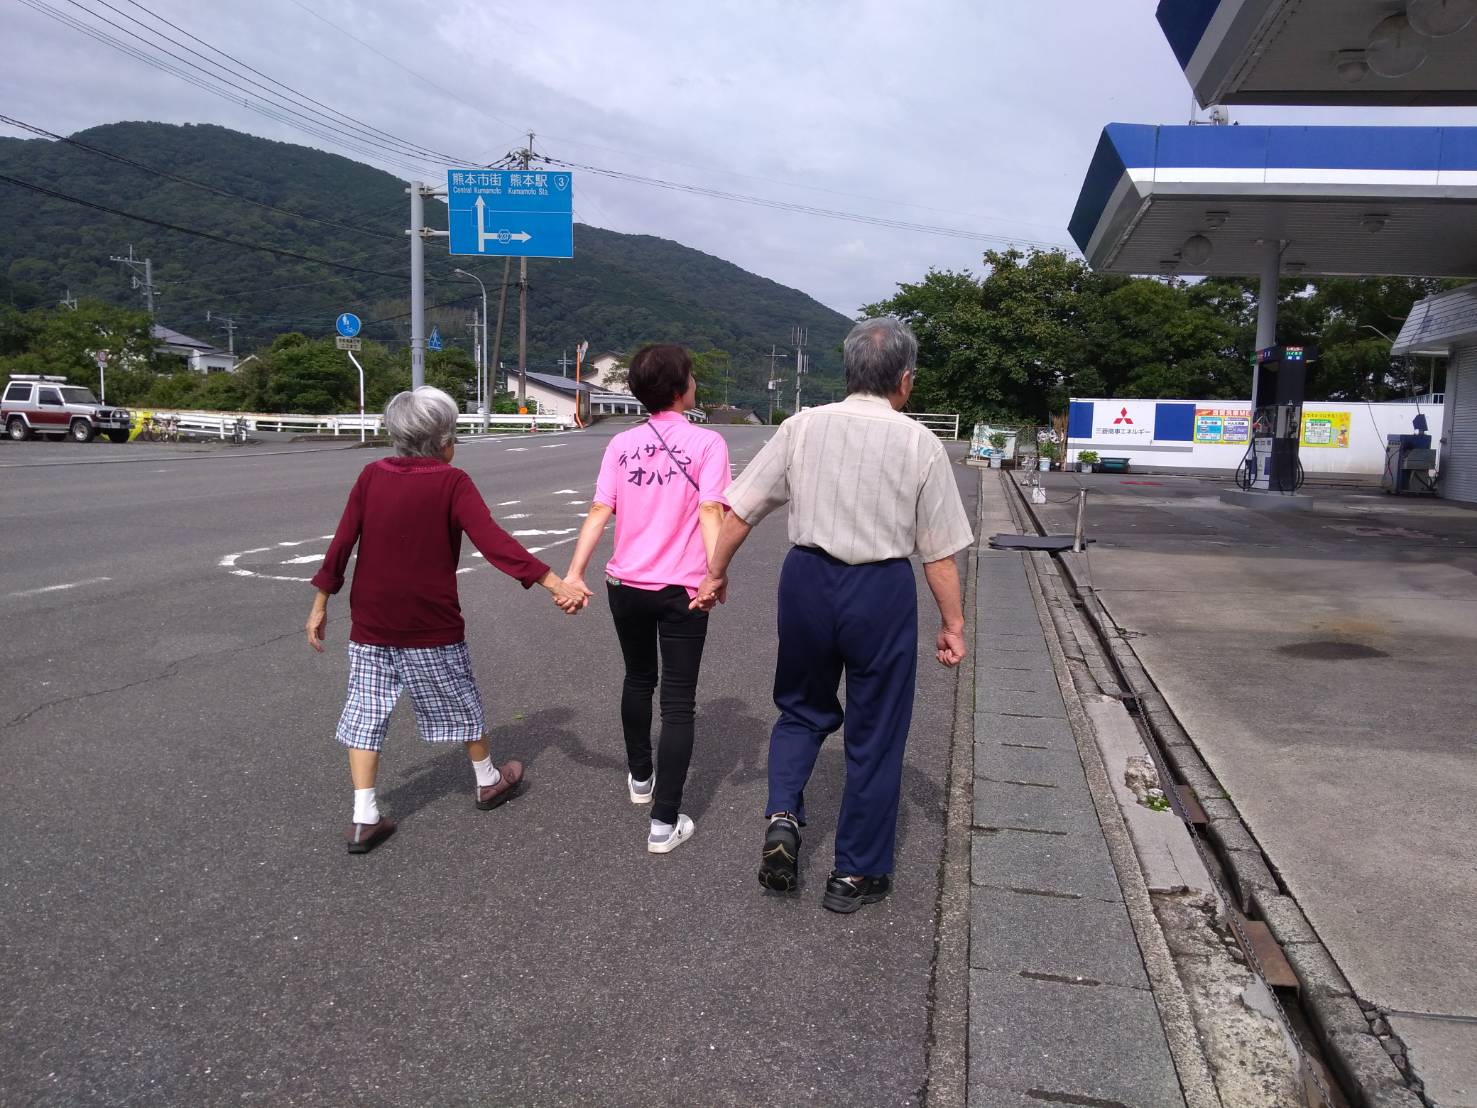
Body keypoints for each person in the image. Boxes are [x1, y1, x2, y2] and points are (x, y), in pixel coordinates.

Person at [692, 317, 973, 913]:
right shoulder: (920, 442)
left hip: (808, 581)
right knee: (875, 731)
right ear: (905, 380)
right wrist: (953, 624)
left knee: (800, 709)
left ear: (848, 371)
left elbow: (742, 510)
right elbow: (939, 551)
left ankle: (784, 818)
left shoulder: (801, 426)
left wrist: (715, 573)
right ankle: (855, 872)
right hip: (881, 590)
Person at [306, 385, 585, 855]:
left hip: (371, 619)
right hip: (428, 621)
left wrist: (320, 604)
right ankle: (487, 781)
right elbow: (493, 541)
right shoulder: (451, 481)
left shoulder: (371, 475)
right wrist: (556, 584)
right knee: (459, 700)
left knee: (366, 710)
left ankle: (363, 816)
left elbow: (341, 543)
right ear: (442, 440)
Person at [561, 344, 731, 854]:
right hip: (682, 589)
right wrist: (716, 574)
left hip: (623, 586)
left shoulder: (622, 445)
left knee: (638, 677)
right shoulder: (708, 443)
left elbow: (598, 510)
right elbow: (710, 514)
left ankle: (641, 778)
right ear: (682, 389)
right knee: (678, 705)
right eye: (693, 377)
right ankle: (664, 823)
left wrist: (574, 573)